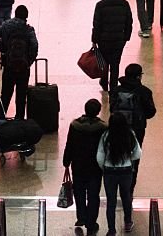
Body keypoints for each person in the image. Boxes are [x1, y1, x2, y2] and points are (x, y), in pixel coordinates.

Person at [63, 99, 107, 235]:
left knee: (79, 192)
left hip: (78, 165)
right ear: (98, 111)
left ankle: (81, 216)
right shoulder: (103, 128)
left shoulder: (75, 125)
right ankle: (91, 222)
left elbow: (69, 144)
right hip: (95, 167)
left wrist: (66, 161)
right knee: (93, 195)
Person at [97, 112, 142, 236]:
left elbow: (100, 156)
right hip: (126, 171)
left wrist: (104, 167)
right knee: (126, 197)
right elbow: (138, 153)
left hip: (110, 172)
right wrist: (129, 159)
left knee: (111, 201)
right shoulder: (130, 134)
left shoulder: (106, 135)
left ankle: (111, 230)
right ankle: (128, 222)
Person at [0, 5, 38, 119]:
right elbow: (35, 46)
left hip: (9, 65)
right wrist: (29, 60)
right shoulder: (28, 29)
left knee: (5, 95)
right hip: (23, 67)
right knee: (21, 96)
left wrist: (4, 49)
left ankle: (1, 119)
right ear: (26, 16)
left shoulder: (7, 25)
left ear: (15, 14)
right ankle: (19, 120)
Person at [91, 0, 133, 91]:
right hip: (119, 40)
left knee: (104, 62)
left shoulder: (100, 5)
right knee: (115, 63)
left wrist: (94, 39)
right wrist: (126, 37)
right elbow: (129, 22)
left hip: (103, 40)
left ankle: (104, 82)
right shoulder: (124, 4)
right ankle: (113, 86)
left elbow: (97, 24)